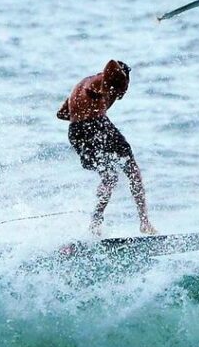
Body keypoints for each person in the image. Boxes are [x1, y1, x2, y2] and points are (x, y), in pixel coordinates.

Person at [57, 59, 157, 235]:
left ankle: (95, 225)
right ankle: (144, 222)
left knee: (109, 177)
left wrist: (86, 109)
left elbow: (62, 114)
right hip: (95, 126)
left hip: (75, 132)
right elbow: (104, 76)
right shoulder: (98, 82)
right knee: (132, 169)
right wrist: (94, 112)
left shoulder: (82, 84)